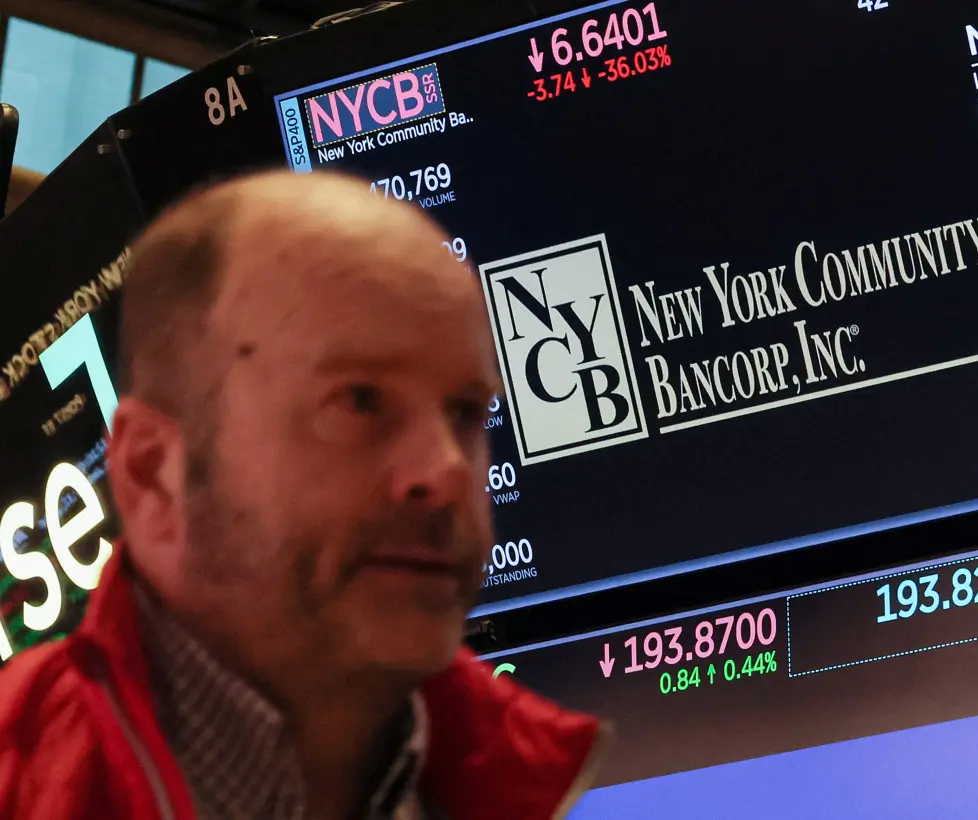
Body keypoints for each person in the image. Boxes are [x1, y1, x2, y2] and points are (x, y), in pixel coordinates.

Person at [0, 171, 607, 819]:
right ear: (153, 473)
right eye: (361, 401)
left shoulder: (521, 784)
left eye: (464, 411)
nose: (449, 469)